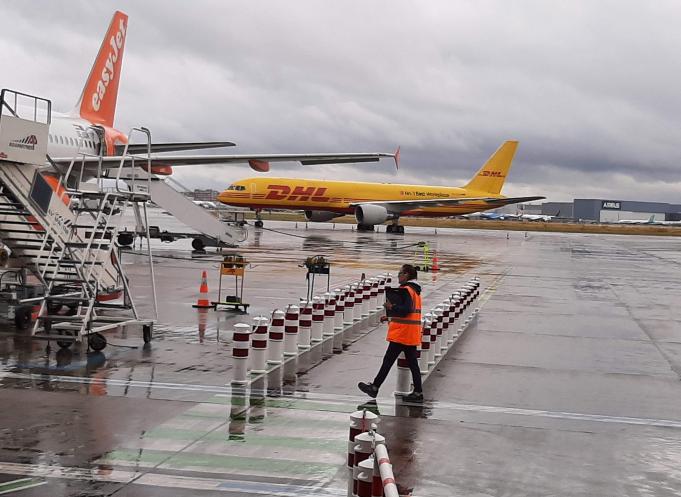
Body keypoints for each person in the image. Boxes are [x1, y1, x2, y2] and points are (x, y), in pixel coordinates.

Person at [358, 264, 423, 403]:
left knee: (388, 361)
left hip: (402, 333)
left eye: (400, 273)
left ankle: (375, 387)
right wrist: (389, 317)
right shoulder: (415, 291)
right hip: (410, 333)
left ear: (406, 275)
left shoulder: (406, 289)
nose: (398, 276)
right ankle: (418, 392)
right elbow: (409, 313)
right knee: (412, 364)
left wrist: (390, 307)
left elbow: (405, 310)